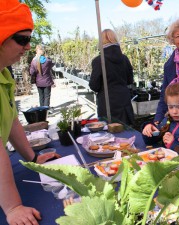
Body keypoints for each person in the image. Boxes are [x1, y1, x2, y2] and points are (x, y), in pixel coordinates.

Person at [0, 1, 60, 224]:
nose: (27, 47)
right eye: (22, 39)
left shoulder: (4, 75)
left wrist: (33, 158)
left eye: (29, 40)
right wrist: (13, 207)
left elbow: (11, 121)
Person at [89, 29, 134, 125]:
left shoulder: (98, 61)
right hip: (124, 101)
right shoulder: (124, 59)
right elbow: (130, 80)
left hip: (107, 103)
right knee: (126, 133)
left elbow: (94, 86)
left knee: (109, 135)